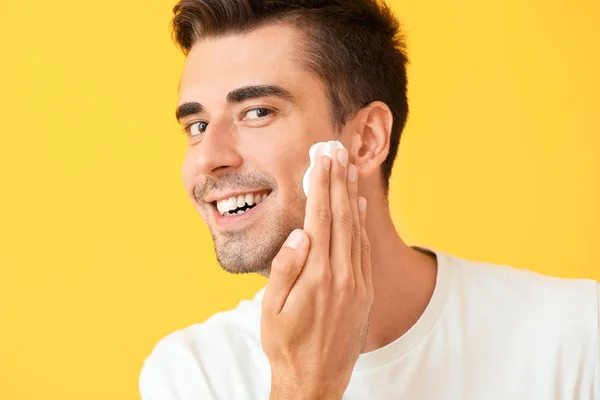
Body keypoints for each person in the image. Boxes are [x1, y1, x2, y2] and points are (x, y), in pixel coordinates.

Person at [139, 0, 599, 398]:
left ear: (365, 140)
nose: (209, 159)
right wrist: (303, 387)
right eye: (197, 126)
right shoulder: (192, 375)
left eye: (257, 112)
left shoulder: (577, 337)